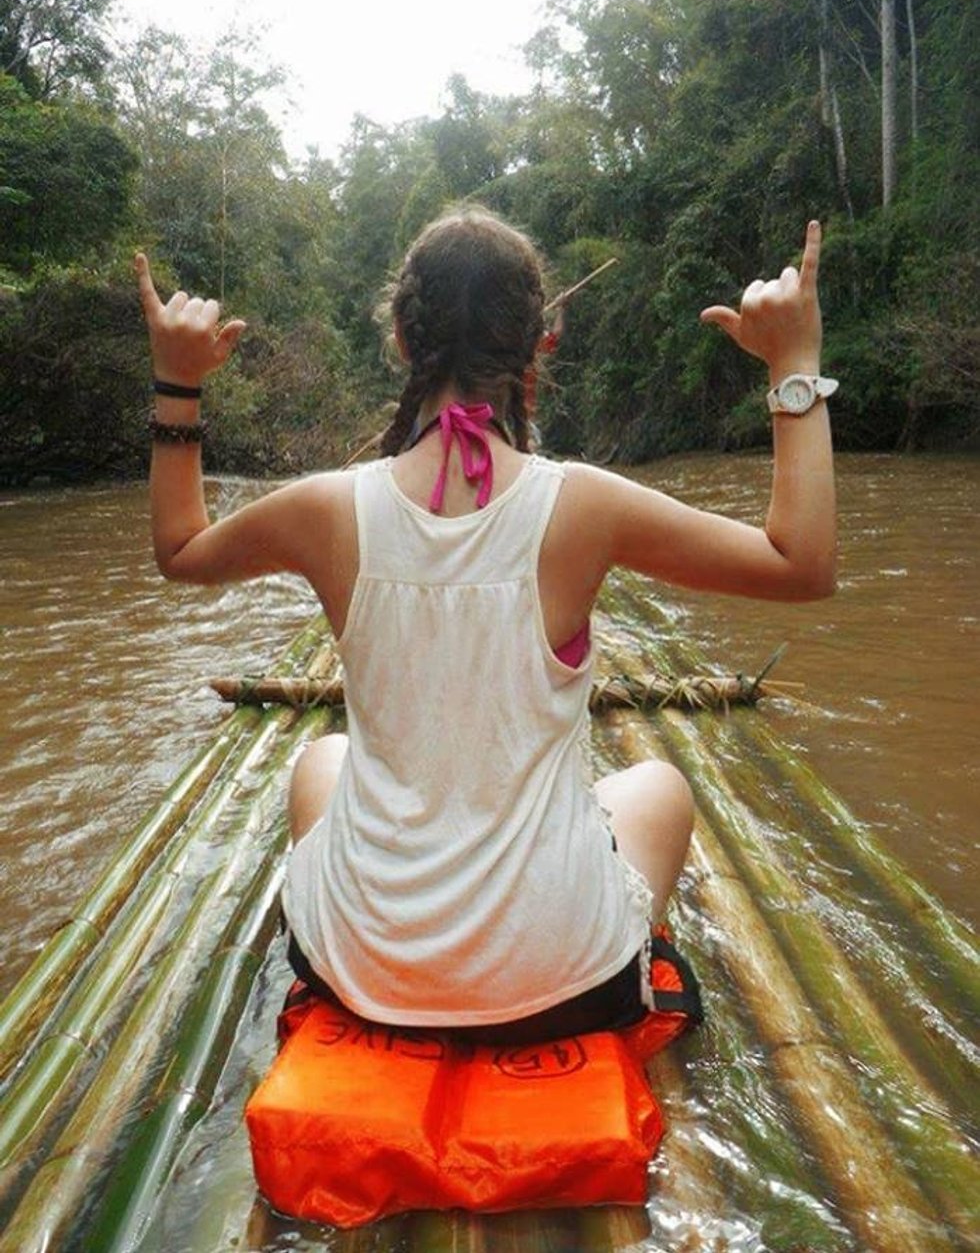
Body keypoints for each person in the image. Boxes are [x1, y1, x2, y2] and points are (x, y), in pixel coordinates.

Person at [137, 206, 835, 1046]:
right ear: (541, 344)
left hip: (368, 970)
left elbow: (180, 549)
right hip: (561, 972)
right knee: (659, 788)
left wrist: (178, 382)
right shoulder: (585, 504)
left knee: (322, 759)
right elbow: (802, 564)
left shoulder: (325, 508)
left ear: (402, 339)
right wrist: (793, 366)